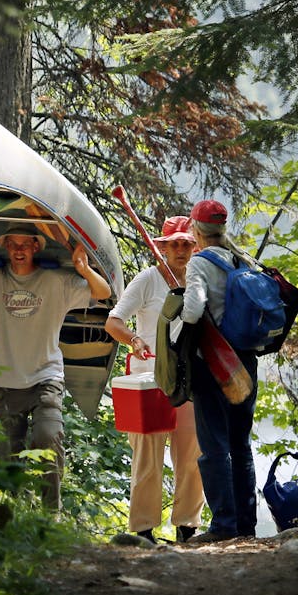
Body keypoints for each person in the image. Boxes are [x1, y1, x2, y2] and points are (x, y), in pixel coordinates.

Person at [0, 223, 112, 508]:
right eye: (13, 244)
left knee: (48, 436)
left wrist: (84, 268)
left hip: (46, 378)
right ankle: (8, 523)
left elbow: (102, 293)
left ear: (35, 247)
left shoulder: (57, 281)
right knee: (8, 458)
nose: (19, 250)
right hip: (3, 383)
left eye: (24, 244)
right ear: (6, 248)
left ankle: (50, 513)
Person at [104, 215, 205, 544]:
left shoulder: (200, 280)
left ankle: (187, 527)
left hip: (190, 381)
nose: (180, 250)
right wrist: (134, 340)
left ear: (195, 246)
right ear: (162, 247)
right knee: (147, 457)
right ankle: (144, 531)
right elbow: (114, 322)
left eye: (186, 244)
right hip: (149, 381)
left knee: (191, 456)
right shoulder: (147, 279)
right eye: (174, 244)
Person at [180, 199, 259, 543]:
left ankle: (223, 526)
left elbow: (194, 307)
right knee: (240, 444)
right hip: (246, 362)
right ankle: (246, 525)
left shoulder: (199, 261)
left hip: (213, 362)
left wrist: (179, 325)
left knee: (214, 446)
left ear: (197, 231)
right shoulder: (242, 259)